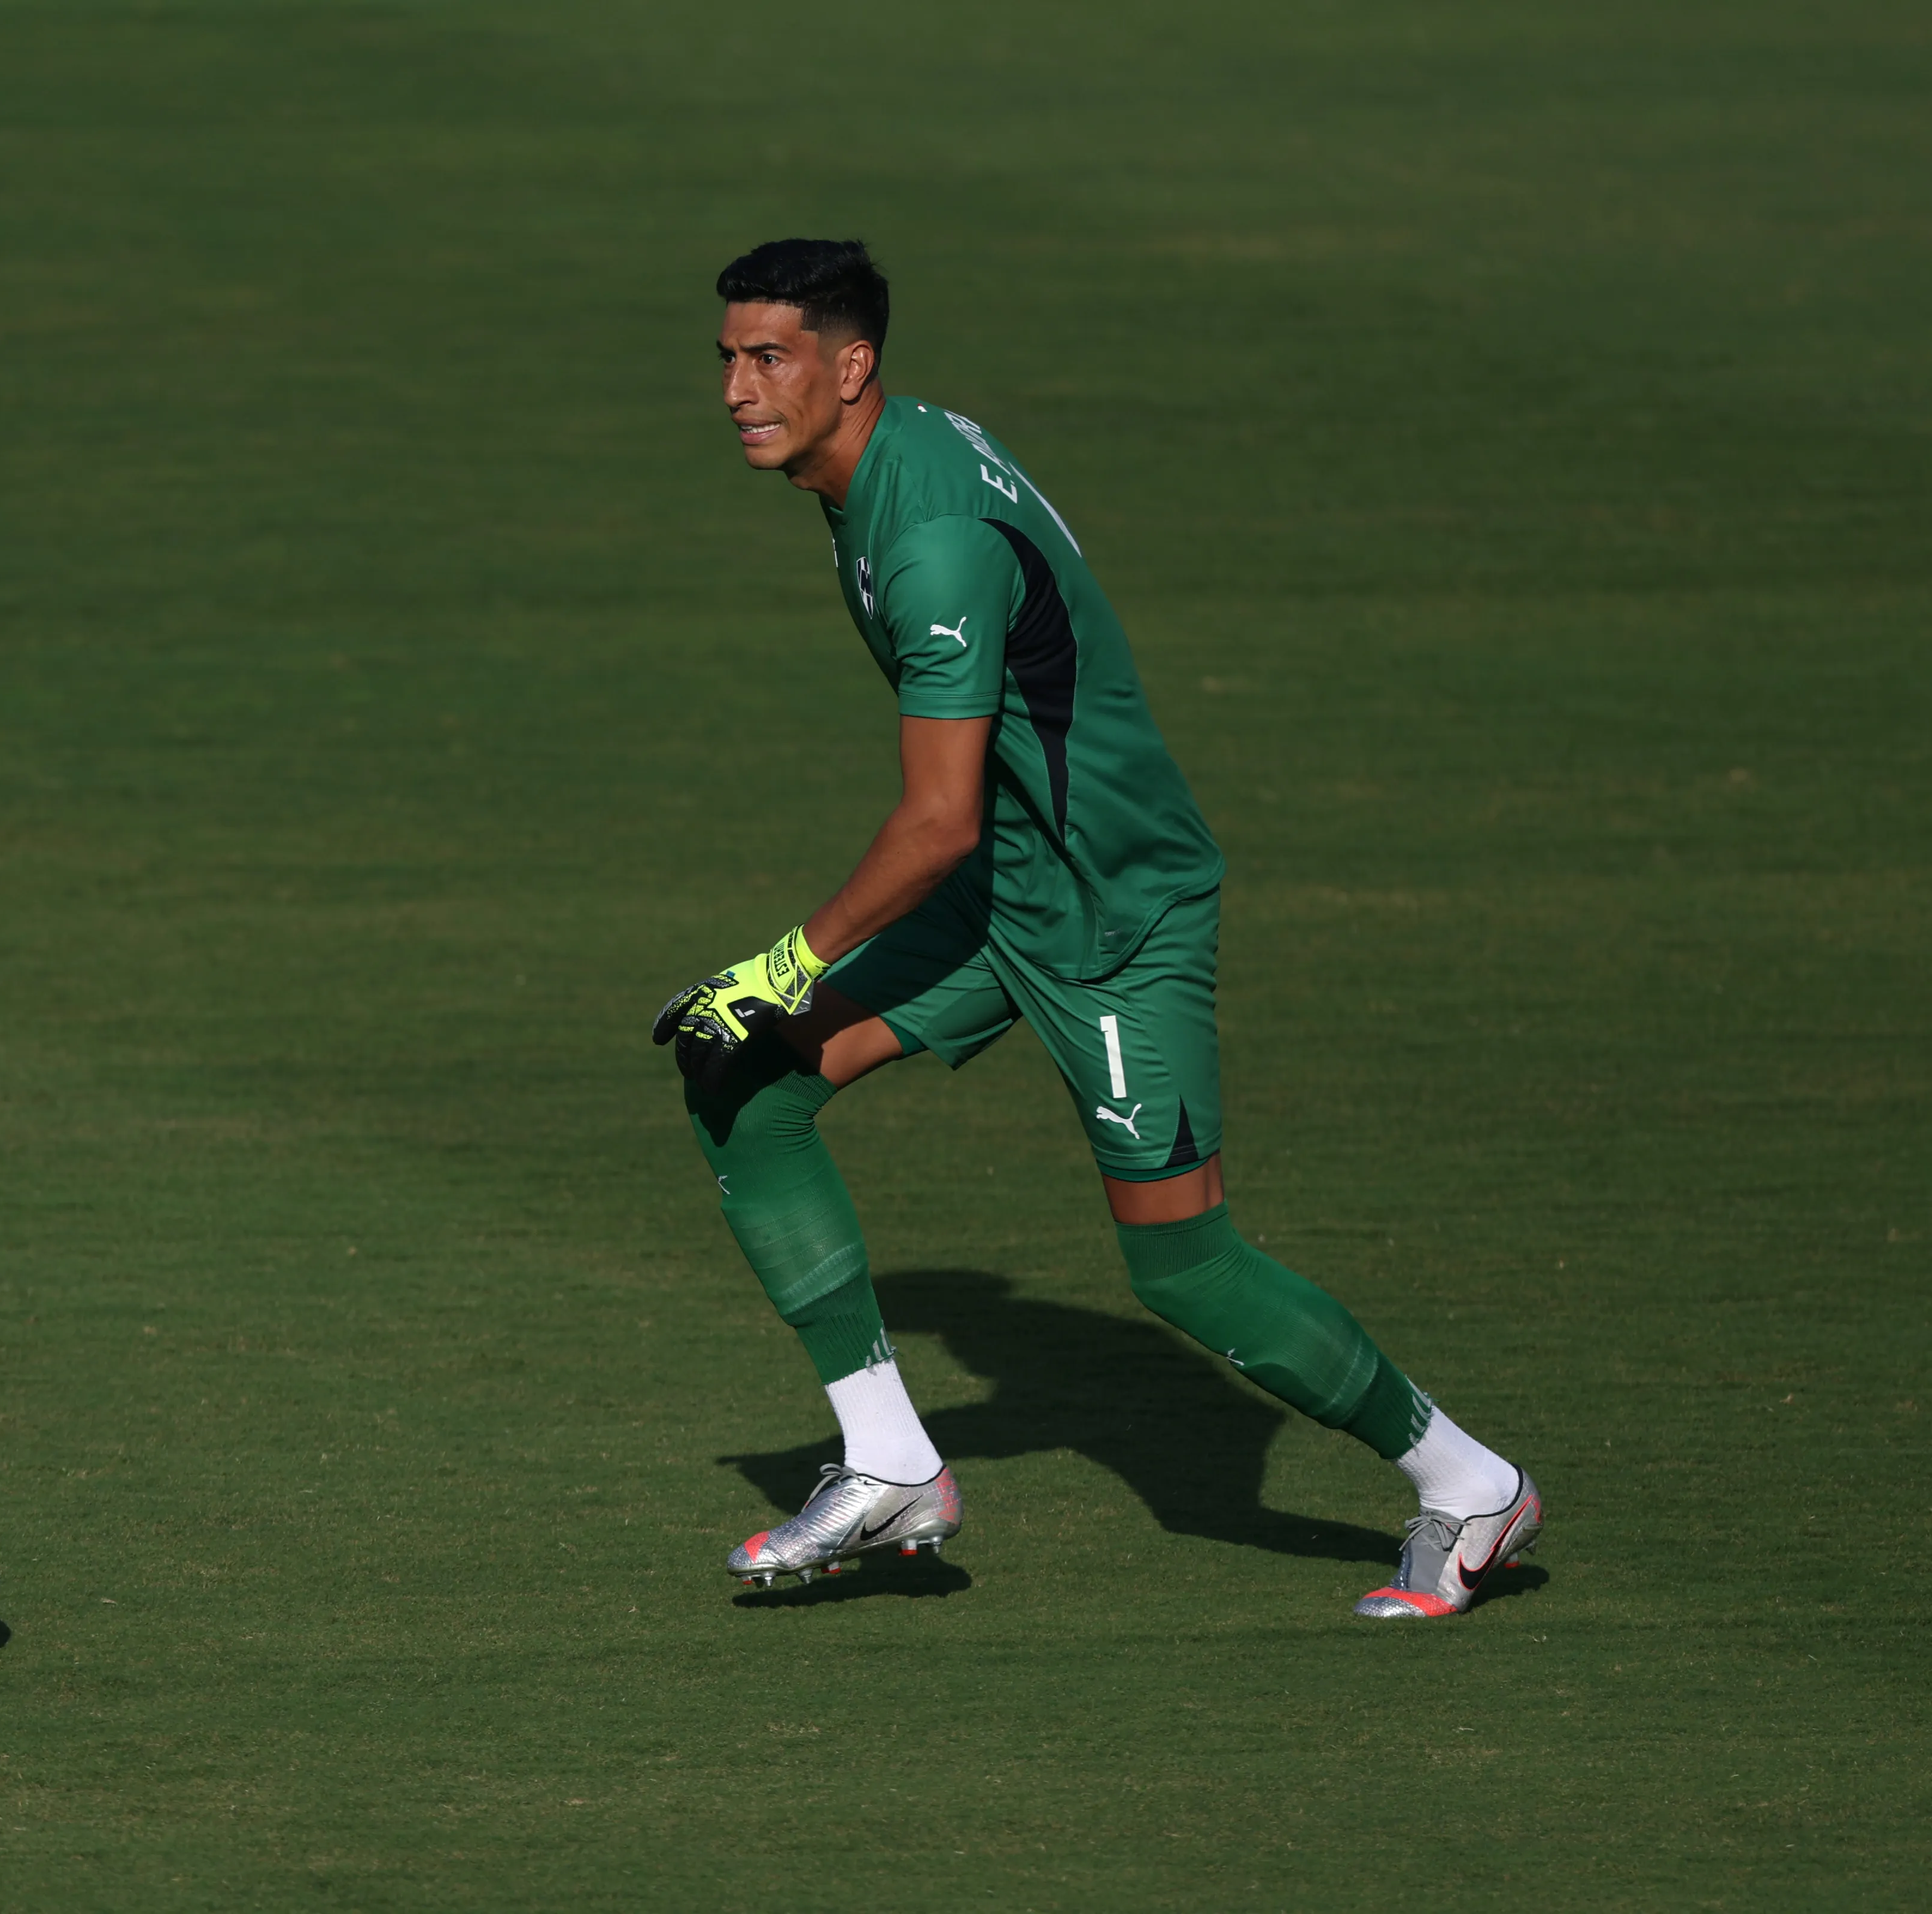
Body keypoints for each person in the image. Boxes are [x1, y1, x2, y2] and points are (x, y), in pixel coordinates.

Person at [655, 238, 1539, 1618]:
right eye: (727, 357)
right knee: (742, 1078)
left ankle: (1468, 1484)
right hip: (1004, 890)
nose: (735, 389)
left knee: (1186, 1267)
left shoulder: (932, 536)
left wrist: (788, 962)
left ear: (851, 368)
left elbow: (936, 819)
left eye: (767, 359)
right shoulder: (898, 460)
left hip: (1110, 914)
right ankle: (892, 1463)